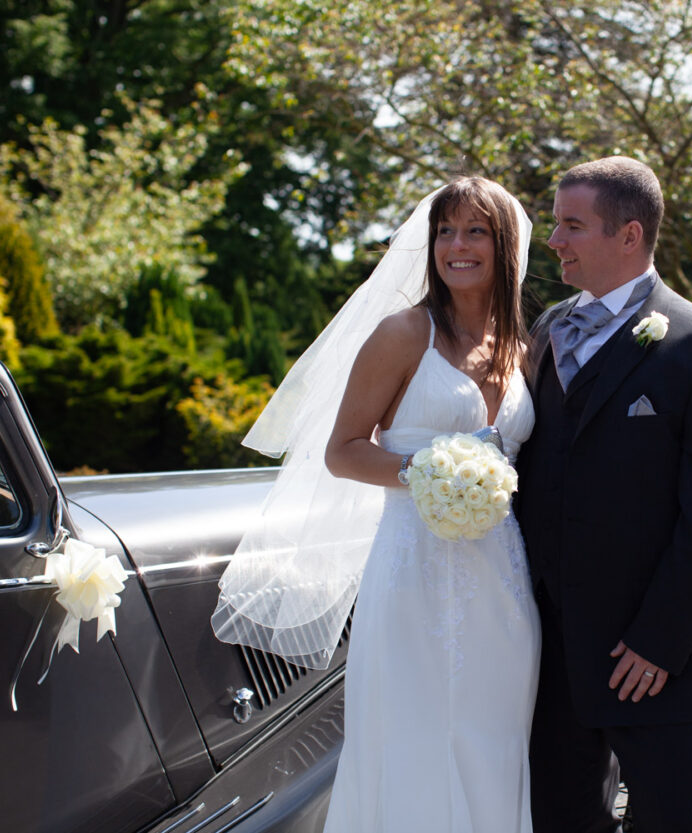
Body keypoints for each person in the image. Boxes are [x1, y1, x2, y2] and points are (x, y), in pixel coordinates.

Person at [211, 178, 540, 832]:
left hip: (502, 580)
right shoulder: (403, 334)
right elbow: (342, 450)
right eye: (445, 230)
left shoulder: (521, 345)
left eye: (476, 231)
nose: (456, 245)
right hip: (414, 571)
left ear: (506, 247)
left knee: (495, 739)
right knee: (416, 737)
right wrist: (421, 469)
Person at [516, 156, 692, 833]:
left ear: (629, 235)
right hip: (549, 648)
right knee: (561, 818)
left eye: (572, 225)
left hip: (646, 657)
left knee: (676, 821)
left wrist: (659, 639)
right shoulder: (544, 333)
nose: (554, 241)